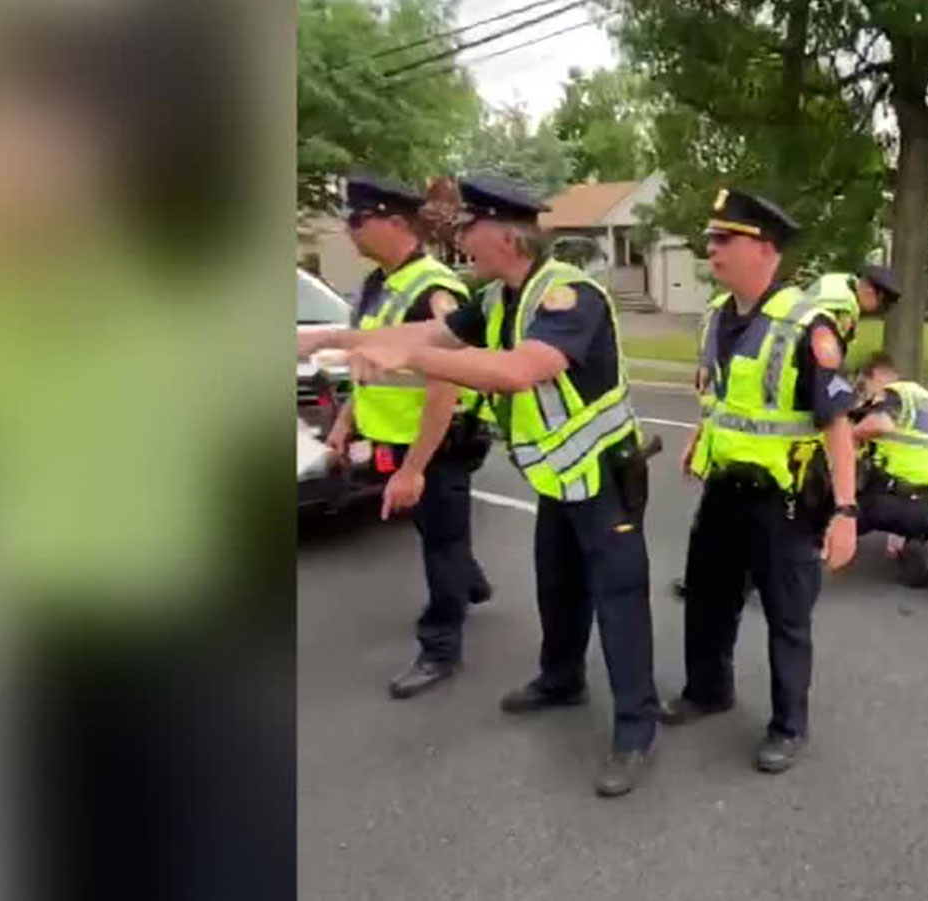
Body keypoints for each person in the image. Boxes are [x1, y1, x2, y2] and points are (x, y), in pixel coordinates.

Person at [298, 173, 659, 797]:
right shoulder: (495, 300)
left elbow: (518, 371)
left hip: (603, 479)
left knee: (618, 601)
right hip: (558, 479)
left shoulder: (569, 298)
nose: (459, 235)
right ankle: (560, 679)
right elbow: (424, 335)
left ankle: (635, 730)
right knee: (558, 587)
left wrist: (407, 358)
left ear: (507, 236)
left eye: (469, 225)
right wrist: (330, 338)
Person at [660, 188, 860, 774]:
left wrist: (846, 513)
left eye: (725, 240)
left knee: (787, 617)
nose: (712, 250)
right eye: (711, 239)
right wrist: (703, 435)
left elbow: (837, 426)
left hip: (786, 502)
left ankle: (788, 726)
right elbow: (726, 398)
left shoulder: (807, 326)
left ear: (765, 249)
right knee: (707, 599)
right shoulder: (717, 316)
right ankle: (708, 690)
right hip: (724, 490)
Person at [319, 172, 492, 701]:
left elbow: (446, 382)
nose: (349, 231)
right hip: (395, 436)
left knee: (438, 543)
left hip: (438, 442)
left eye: (357, 220)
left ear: (396, 222)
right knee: (436, 530)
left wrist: (416, 467)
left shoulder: (435, 290)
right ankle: (471, 583)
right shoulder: (377, 285)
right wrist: (344, 425)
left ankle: (440, 648)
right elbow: (369, 365)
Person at [667, 262, 902, 599]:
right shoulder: (841, 308)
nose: (876, 311)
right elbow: (823, 361)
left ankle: (713, 581)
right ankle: (759, 581)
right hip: (779, 422)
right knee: (777, 512)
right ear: (870, 291)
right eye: (880, 303)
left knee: (727, 513)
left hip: (745, 420)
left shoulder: (833, 281)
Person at [849, 352, 928, 586]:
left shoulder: (894, 392)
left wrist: (849, 437)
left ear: (877, 375)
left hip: (887, 499)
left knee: (837, 520)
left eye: (865, 386)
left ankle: (818, 545)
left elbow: (880, 424)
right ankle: (915, 541)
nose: (867, 396)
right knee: (912, 518)